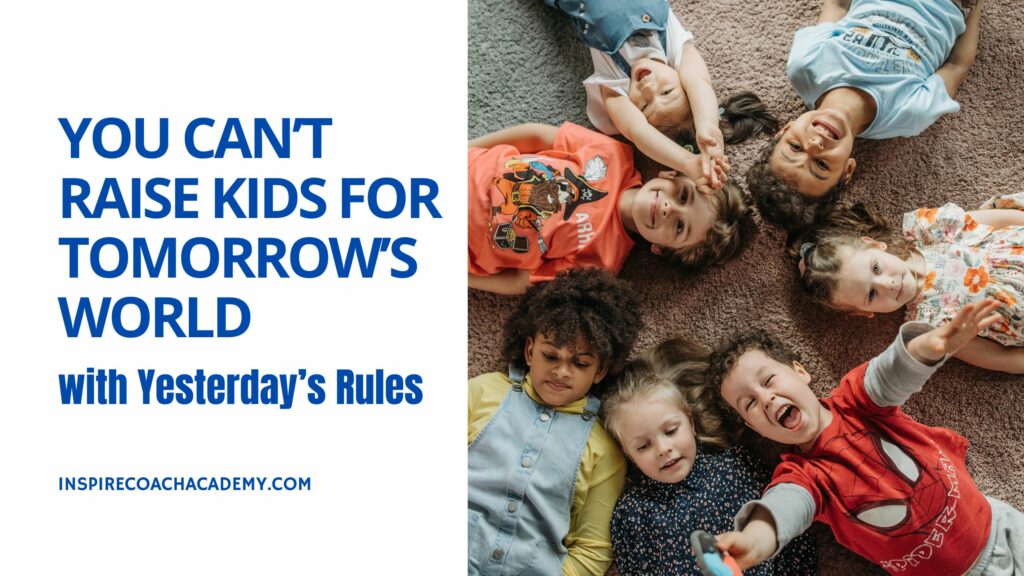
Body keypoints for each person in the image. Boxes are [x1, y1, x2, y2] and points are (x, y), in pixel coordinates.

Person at [705, 301, 1024, 575]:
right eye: (750, 404)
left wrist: (927, 348)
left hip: (1000, 525)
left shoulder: (856, 400)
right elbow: (784, 507)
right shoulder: (803, 477)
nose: (766, 399)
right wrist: (753, 542)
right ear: (756, 427)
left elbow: (889, 373)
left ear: (800, 372)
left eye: (769, 380)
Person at [746, 0, 985, 231]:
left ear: (784, 130)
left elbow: (837, 5)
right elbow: (956, 65)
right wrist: (976, 8)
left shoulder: (805, 67)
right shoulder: (908, 115)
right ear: (847, 170)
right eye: (821, 164)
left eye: (796, 147)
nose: (816, 143)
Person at [468, 267, 643, 576]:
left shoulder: (604, 447)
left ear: (600, 371)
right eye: (550, 356)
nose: (562, 372)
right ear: (529, 351)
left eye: (580, 363)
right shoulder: (485, 391)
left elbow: (593, 550)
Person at [600, 337, 817, 576]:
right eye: (643, 446)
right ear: (628, 454)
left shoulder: (736, 464)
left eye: (671, 431)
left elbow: (787, 530)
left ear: (691, 423)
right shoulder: (631, 512)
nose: (663, 449)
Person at [469, 122, 753, 294]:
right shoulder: (615, 154)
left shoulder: (602, 265)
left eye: (679, 227)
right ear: (668, 174)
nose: (669, 208)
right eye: (682, 196)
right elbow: (536, 137)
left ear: (662, 249)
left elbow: (521, 281)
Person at [544, 0, 777, 189]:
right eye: (667, 92)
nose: (648, 88)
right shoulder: (675, 50)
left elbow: (638, 131)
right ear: (681, 80)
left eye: (644, 106)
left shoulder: (615, 79)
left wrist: (687, 162)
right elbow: (699, 82)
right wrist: (709, 128)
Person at [792, 195, 1024, 373]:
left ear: (874, 244)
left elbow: (1001, 221)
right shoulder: (927, 327)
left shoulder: (929, 232)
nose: (887, 284)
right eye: (872, 294)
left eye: (876, 268)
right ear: (865, 312)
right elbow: (998, 357)